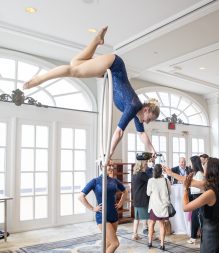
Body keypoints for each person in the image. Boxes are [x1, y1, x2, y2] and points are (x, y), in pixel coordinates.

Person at [23, 27, 159, 159]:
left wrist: (152, 149)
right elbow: (119, 132)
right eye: (149, 119)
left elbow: (142, 134)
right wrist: (109, 154)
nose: (147, 122)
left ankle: (97, 40)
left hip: (111, 70)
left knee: (75, 63)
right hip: (115, 65)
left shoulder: (136, 113)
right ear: (146, 110)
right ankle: (38, 79)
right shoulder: (134, 106)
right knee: (74, 71)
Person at [78, 161, 127, 253]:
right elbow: (81, 196)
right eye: (109, 165)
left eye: (112, 166)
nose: (111, 167)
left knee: (108, 242)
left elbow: (125, 192)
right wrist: (92, 208)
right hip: (102, 216)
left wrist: (120, 204)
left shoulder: (114, 181)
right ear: (102, 166)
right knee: (115, 243)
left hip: (114, 216)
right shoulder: (95, 181)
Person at [163, 156, 205, 244]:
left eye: (190, 163)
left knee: (196, 217)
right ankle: (195, 236)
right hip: (195, 196)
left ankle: (195, 236)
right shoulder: (195, 173)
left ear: (195, 164)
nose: (189, 165)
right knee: (195, 217)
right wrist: (170, 173)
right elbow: (187, 181)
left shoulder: (200, 174)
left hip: (198, 196)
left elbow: (188, 181)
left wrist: (171, 173)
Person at [146, 164, 171, 250]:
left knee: (151, 223)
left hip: (154, 205)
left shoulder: (151, 180)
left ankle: (149, 242)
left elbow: (148, 193)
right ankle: (162, 245)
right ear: (161, 171)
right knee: (162, 225)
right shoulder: (166, 180)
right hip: (163, 206)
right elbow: (170, 192)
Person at [131, 160, 150, 240]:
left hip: (136, 199)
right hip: (142, 199)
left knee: (137, 218)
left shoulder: (134, 174)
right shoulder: (142, 174)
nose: (147, 166)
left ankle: (134, 234)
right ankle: (151, 235)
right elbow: (150, 180)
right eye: (145, 164)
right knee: (149, 218)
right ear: (141, 166)